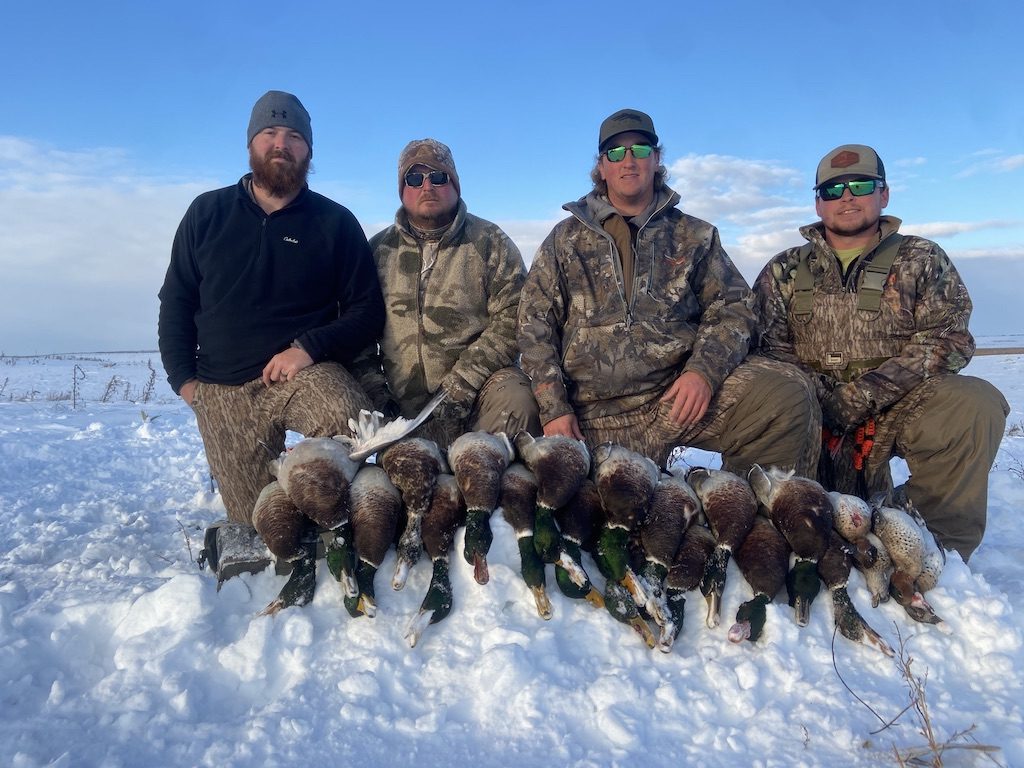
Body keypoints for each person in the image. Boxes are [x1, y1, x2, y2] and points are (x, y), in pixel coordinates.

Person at [518, 108, 820, 477]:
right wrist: (554, 407)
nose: (629, 161)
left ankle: (749, 509)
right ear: (601, 166)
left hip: (675, 402)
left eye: (640, 149)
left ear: (657, 159)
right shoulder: (564, 240)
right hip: (589, 413)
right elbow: (534, 323)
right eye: (616, 153)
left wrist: (703, 373)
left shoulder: (696, 235)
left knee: (784, 393)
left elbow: (735, 309)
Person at [753, 143, 1009, 560]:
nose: (847, 197)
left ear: (884, 194)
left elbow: (950, 338)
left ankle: (932, 549)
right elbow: (767, 350)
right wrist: (819, 400)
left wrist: (863, 395)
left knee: (974, 403)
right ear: (818, 204)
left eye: (860, 185)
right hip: (812, 410)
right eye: (833, 190)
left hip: (895, 406)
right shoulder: (783, 269)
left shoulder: (921, 258)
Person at [158, 90, 385, 525]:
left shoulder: (335, 222)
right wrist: (185, 381)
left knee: (355, 423)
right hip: (222, 386)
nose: (281, 143)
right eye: (270, 132)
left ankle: (340, 521)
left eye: (294, 135)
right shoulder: (206, 213)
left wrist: (308, 348)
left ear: (309, 151)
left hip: (304, 375)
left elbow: (366, 311)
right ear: (250, 144)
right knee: (256, 524)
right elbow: (177, 301)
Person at [353, 138, 540, 447]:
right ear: (402, 189)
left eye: (438, 176)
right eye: (415, 178)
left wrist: (465, 380)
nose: (427, 186)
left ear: (454, 184)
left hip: (477, 393)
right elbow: (358, 327)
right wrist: (377, 393)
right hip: (401, 410)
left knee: (517, 398)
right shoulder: (376, 251)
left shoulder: (490, 241)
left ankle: (497, 486)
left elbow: (515, 314)